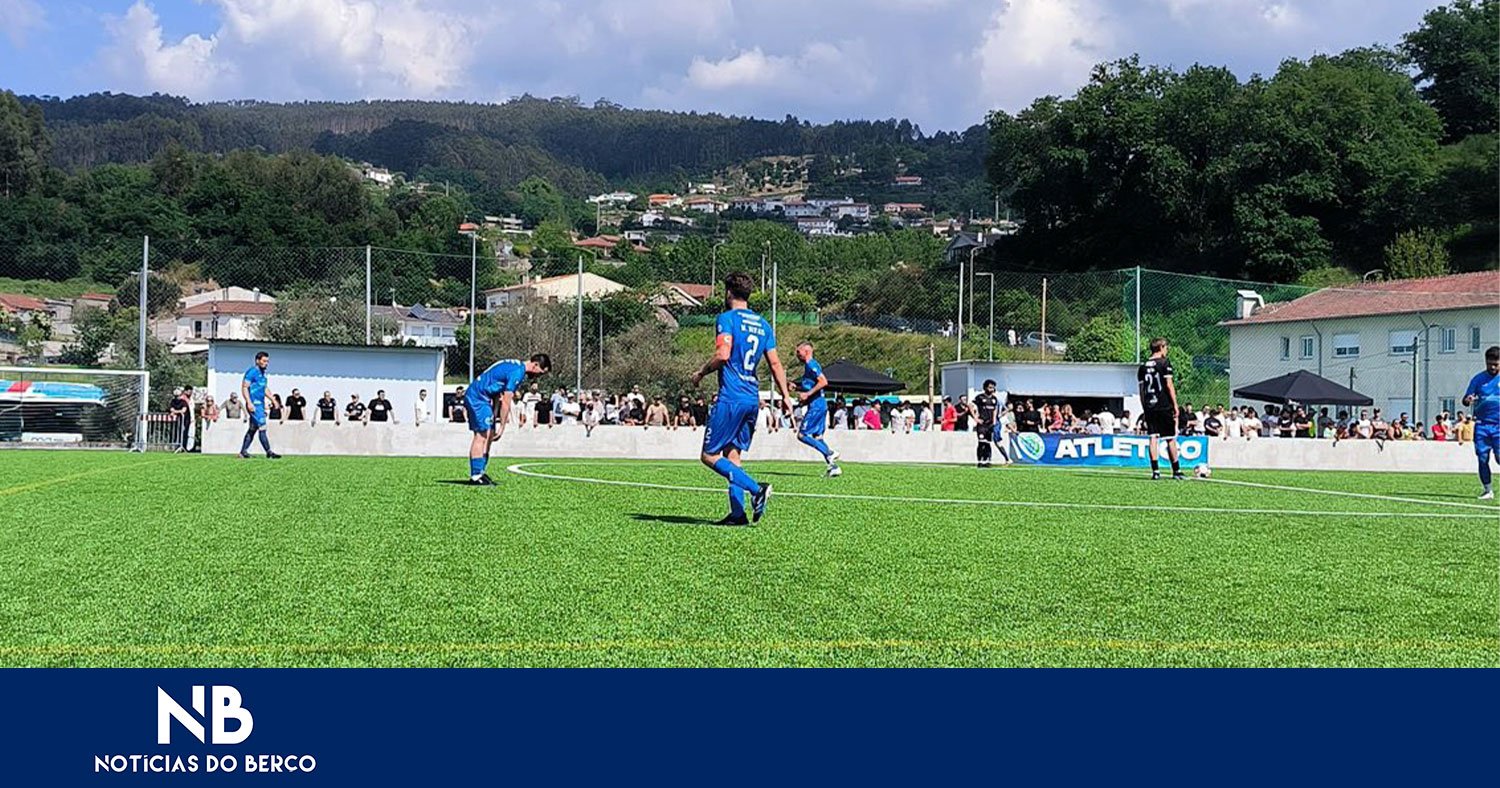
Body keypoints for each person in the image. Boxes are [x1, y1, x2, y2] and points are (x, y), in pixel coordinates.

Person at [690, 272, 790, 525]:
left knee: (710, 455)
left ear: (728, 293)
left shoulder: (727, 318)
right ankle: (737, 515)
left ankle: (757, 490)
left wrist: (701, 372)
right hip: (751, 399)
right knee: (733, 457)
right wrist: (786, 396)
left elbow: (723, 354)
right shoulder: (763, 324)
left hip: (731, 397)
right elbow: (776, 364)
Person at [464, 355, 551, 485]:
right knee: (481, 435)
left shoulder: (515, 365)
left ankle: (480, 471)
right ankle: (475, 475)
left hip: (484, 398)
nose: (539, 376)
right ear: (536, 365)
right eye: (541, 373)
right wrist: (502, 426)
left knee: (489, 435)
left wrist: (494, 413)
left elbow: (497, 393)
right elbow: (506, 401)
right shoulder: (518, 372)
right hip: (478, 397)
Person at [792, 341, 841, 476]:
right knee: (818, 437)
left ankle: (829, 453)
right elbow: (811, 385)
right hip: (820, 404)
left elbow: (823, 381)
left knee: (802, 435)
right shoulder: (809, 366)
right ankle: (833, 467)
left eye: (798, 352)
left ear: (806, 351)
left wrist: (807, 394)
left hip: (816, 406)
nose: (797, 354)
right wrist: (797, 388)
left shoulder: (811, 364)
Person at [1138, 337, 1183, 480]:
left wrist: (1144, 407)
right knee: (1170, 438)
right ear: (1162, 347)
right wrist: (1175, 405)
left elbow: (1141, 390)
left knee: (1153, 437)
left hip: (1150, 406)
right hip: (1163, 404)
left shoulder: (1143, 366)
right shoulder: (1164, 363)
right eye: (1166, 347)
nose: (1167, 350)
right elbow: (1169, 385)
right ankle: (1176, 471)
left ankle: (1155, 472)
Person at [1462, 346, 1499, 499]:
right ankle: (1487, 490)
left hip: (1499, 425)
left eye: (1496, 364)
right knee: (1482, 458)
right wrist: (1468, 399)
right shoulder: (1478, 379)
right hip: (1482, 424)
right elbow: (1465, 400)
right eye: (1490, 363)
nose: (1492, 367)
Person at [238, 351, 280, 459]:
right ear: (258, 361)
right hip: (254, 404)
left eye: (267, 361)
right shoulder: (251, 372)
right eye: (264, 361)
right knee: (262, 426)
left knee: (253, 428)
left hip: (260, 404)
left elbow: (264, 388)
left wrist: (273, 400)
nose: (266, 363)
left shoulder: (263, 374)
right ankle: (269, 451)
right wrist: (249, 402)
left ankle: (243, 452)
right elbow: (244, 387)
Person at [968, 380, 1005, 468]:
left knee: (988, 443)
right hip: (982, 424)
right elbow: (970, 405)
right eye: (990, 387)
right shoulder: (980, 397)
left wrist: (994, 421)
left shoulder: (994, 399)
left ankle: (988, 460)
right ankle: (980, 461)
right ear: (985, 388)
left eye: (993, 387)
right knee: (981, 442)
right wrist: (976, 418)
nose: (991, 389)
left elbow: (995, 410)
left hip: (990, 424)